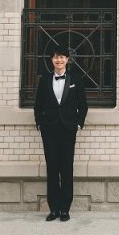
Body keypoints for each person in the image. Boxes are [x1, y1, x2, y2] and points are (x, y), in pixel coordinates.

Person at [33, 47, 88, 221]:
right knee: (52, 168)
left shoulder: (76, 79)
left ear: (67, 60)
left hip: (68, 129)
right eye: (56, 57)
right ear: (52, 60)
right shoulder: (44, 80)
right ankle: (53, 208)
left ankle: (65, 208)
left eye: (62, 57)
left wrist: (78, 124)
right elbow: (38, 104)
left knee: (66, 168)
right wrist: (40, 124)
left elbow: (83, 104)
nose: (59, 60)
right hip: (49, 129)